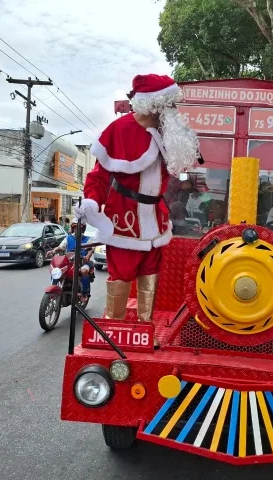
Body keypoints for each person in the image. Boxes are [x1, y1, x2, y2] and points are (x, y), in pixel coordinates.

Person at [75, 73, 200, 344]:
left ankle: (145, 330)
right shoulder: (120, 130)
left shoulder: (168, 132)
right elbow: (99, 175)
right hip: (124, 218)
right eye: (167, 104)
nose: (171, 111)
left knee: (150, 275)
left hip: (155, 218)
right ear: (153, 104)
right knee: (121, 275)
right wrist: (92, 200)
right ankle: (113, 330)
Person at [50, 222, 95, 302]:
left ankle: (84, 292)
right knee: (57, 270)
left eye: (79, 228)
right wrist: (53, 251)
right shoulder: (68, 238)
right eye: (75, 227)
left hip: (83, 263)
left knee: (84, 271)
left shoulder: (88, 239)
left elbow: (90, 250)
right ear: (73, 228)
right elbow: (61, 247)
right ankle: (55, 288)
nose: (77, 229)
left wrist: (87, 257)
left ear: (82, 229)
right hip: (70, 263)